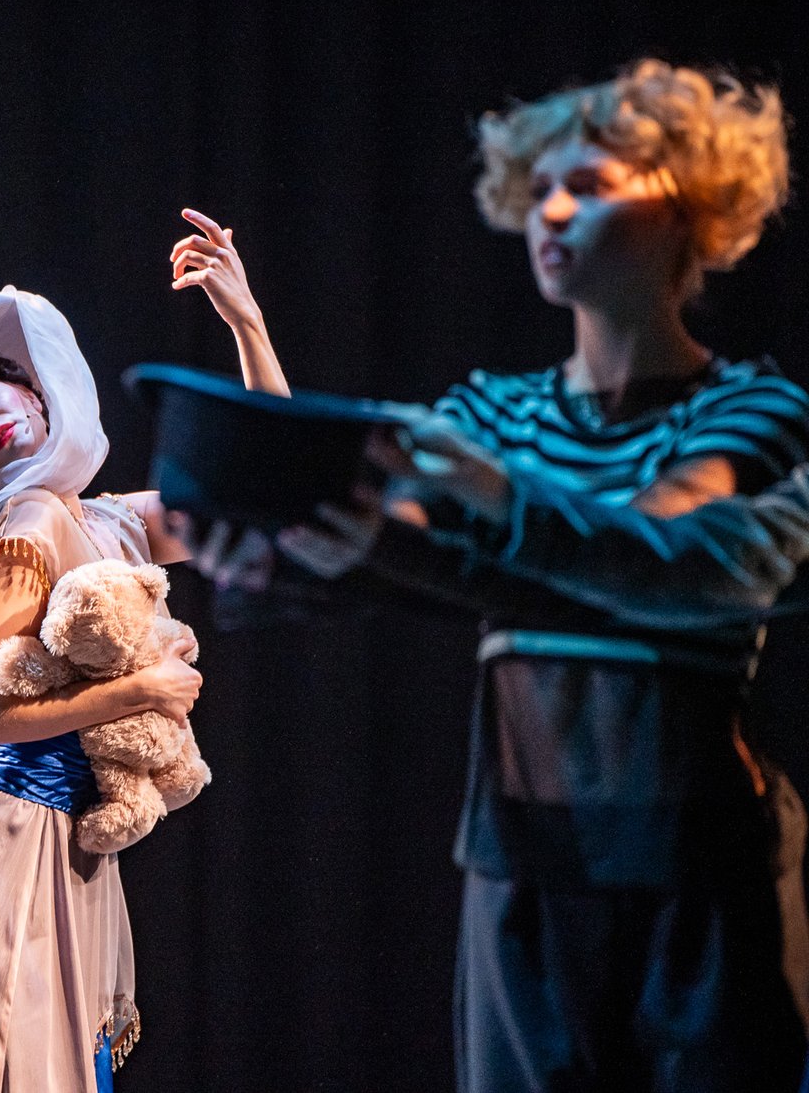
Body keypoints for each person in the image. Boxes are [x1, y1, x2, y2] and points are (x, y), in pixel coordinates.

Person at [173, 59, 809, 1091]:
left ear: (689, 210)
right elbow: (369, 518)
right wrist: (276, 544)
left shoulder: (748, 407)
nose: (553, 210)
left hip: (698, 871)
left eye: (592, 185)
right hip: (520, 868)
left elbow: (656, 552)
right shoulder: (497, 414)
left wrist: (482, 508)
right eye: (542, 187)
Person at [0, 263, 284, 1090]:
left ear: (31, 392)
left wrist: (246, 323)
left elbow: (262, 492)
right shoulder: (27, 523)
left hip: (56, 850)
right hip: (0, 853)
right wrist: (137, 692)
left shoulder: (103, 520)